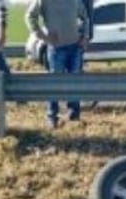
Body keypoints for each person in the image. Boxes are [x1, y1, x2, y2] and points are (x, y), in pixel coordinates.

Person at [26, 0, 91, 128]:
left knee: (75, 82)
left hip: (75, 47)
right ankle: (52, 116)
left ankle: (74, 115)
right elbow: (30, 16)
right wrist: (43, 36)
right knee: (54, 83)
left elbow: (85, 17)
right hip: (56, 48)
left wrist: (85, 36)